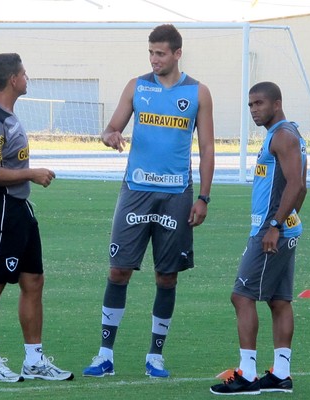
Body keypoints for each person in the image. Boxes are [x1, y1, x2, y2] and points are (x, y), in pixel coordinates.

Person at [83, 24, 214, 378]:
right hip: (136, 191)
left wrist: (203, 197)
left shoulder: (198, 92)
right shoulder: (136, 86)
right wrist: (110, 136)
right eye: (151, 53)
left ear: (177, 54)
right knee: (118, 270)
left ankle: (155, 356)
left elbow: (207, 148)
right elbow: (111, 128)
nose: (154, 59)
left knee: (166, 276)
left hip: (176, 195)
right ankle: (104, 354)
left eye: (160, 53)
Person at [0, 53, 73, 383]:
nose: (27, 78)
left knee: (33, 281)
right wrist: (32, 174)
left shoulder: (8, 115)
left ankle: (34, 360)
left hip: (19, 209)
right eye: (24, 74)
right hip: (1, 210)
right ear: (13, 79)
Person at [210, 81, 307, 395]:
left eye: (259, 103)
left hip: (269, 231)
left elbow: (297, 184)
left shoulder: (283, 136)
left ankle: (248, 375)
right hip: (278, 228)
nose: (254, 110)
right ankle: (280, 374)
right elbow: (296, 187)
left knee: (241, 296)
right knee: (279, 301)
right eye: (250, 104)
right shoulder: (281, 134)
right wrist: (287, 221)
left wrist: (276, 225)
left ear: (277, 103)